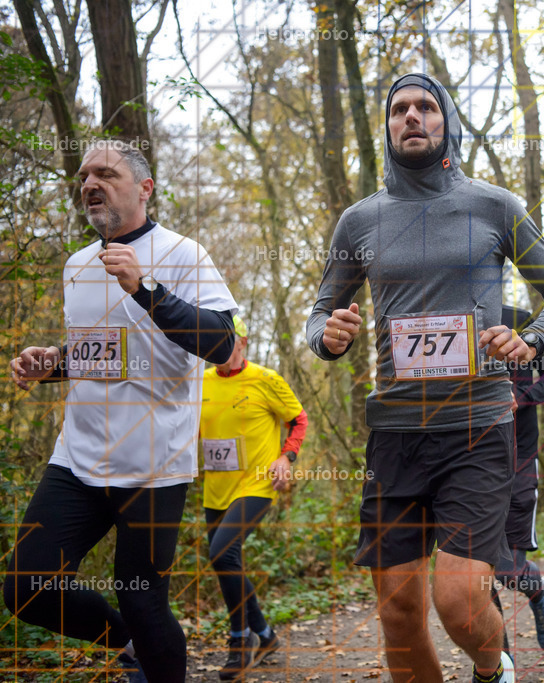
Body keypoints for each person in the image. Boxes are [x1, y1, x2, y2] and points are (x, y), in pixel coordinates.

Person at [306, 73, 544, 683]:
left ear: (446, 122)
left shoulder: (493, 206)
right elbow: (320, 310)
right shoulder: (360, 221)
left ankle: (493, 669)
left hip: (477, 430)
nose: (411, 116)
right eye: (399, 108)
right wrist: (325, 337)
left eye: (425, 107)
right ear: (386, 127)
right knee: (399, 613)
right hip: (396, 435)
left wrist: (531, 338)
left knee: (456, 603)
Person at [5, 139, 237, 683]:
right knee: (25, 584)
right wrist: (52, 363)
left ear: (144, 188)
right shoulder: (76, 265)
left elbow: (226, 345)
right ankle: (128, 645)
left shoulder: (183, 254)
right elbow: (102, 354)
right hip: (78, 459)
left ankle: (144, 645)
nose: (90, 183)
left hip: (154, 467)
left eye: (105, 173)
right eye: (85, 175)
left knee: (143, 601)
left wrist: (145, 288)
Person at [200, 314, 308, 679]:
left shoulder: (266, 379)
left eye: (227, 342)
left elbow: (299, 419)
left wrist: (285, 457)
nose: (220, 351)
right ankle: (265, 634)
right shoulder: (199, 382)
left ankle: (239, 640)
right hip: (215, 488)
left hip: (258, 485)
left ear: (242, 343)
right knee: (225, 560)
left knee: (222, 552)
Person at [492, 305, 544, 651]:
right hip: (462, 461)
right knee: (469, 571)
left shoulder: (519, 320)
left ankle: (539, 592)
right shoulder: (448, 323)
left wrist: (521, 399)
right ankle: (496, 663)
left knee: (507, 570)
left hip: (518, 456)